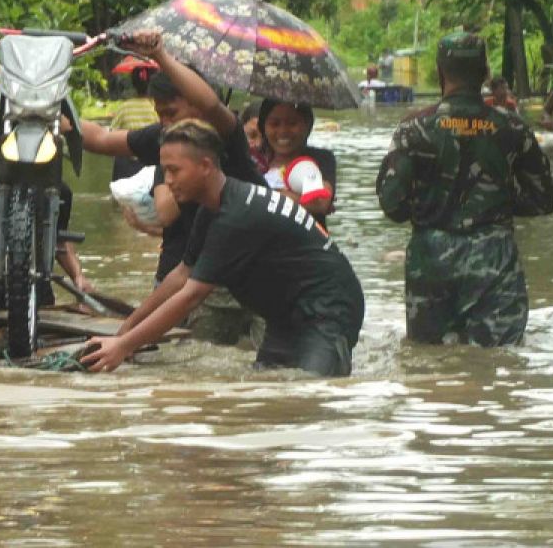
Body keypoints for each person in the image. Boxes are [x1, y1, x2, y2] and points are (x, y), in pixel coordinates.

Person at [81, 120, 365, 377]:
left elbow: (191, 296)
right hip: (285, 314)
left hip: (328, 309)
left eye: (173, 170)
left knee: (312, 391)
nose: (167, 180)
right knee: (272, 390)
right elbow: (180, 276)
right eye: (164, 170)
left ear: (205, 166)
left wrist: (122, 346)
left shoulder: (235, 216)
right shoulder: (213, 208)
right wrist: (125, 331)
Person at [79, 31, 263, 345]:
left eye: (172, 113)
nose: (166, 124)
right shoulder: (165, 138)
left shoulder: (223, 135)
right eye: (160, 115)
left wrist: (160, 55)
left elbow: (209, 103)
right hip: (191, 272)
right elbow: (100, 139)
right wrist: (46, 109)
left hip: (255, 275)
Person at [376, 32, 553, 346]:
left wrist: (426, 207)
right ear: (485, 72)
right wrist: (500, 200)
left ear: (440, 71)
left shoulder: (413, 129)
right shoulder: (512, 127)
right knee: (501, 361)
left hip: (430, 256)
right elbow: (544, 200)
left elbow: (392, 205)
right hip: (495, 256)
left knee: (428, 361)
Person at [246, 99, 337, 227]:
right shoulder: (252, 160)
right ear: (263, 127)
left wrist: (261, 196)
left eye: (292, 123)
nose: (283, 131)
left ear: (307, 125)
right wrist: (291, 197)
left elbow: (321, 203)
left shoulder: (318, 159)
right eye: (274, 124)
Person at [109, 65, 159, 181]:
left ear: (133, 84)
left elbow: (112, 133)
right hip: (149, 165)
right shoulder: (157, 107)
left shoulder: (125, 107)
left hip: (126, 166)